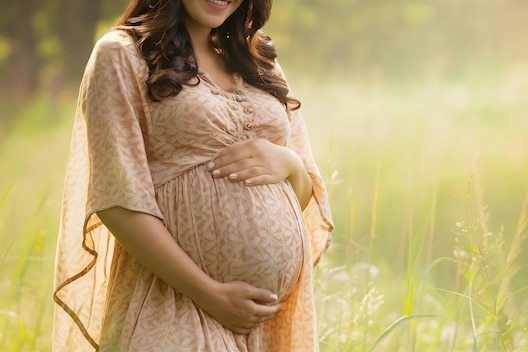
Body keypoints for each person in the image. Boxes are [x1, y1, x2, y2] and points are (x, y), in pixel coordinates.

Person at [52, 0, 333, 350]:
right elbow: (117, 198)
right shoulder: (122, 55)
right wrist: (211, 294)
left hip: (265, 325)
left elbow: (300, 197)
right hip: (174, 304)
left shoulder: (257, 58)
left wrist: (288, 163)